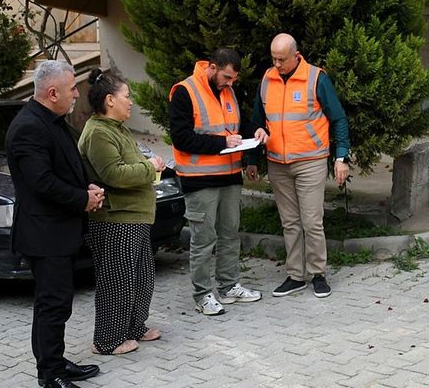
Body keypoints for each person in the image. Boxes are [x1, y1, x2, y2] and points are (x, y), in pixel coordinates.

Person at [5, 60, 104, 388]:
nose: (77, 94)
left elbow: (62, 168)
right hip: (44, 234)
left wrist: (85, 186)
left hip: (59, 231)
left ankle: (55, 362)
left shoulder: (51, 121)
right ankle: (51, 377)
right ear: (52, 93)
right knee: (52, 305)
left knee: (57, 303)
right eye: (72, 89)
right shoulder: (29, 128)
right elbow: (42, 183)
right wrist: (82, 200)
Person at [250, 33, 350, 299]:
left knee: (311, 221)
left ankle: (318, 273)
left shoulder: (317, 78)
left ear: (296, 55)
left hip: (310, 161)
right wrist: (254, 149)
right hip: (278, 163)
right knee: (290, 222)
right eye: (273, 58)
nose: (277, 64)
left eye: (281, 59)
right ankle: (295, 275)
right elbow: (258, 119)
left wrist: (341, 157)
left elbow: (339, 119)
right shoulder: (267, 80)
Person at [169, 48, 263, 316]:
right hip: (200, 181)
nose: (230, 83)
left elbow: (237, 126)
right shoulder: (185, 91)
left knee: (230, 234)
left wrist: (253, 132)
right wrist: (222, 143)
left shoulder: (228, 91)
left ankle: (229, 285)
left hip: (229, 176)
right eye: (226, 77)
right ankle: (202, 294)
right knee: (203, 239)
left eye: (233, 79)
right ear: (212, 67)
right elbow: (181, 138)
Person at [78, 69, 164, 355]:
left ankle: (134, 327)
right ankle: (107, 340)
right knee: (117, 280)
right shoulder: (98, 132)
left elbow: (132, 163)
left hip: (135, 216)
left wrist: (149, 165)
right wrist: (149, 168)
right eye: (127, 97)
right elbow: (114, 174)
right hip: (115, 219)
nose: (131, 102)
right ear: (110, 100)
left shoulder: (117, 128)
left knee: (141, 277)